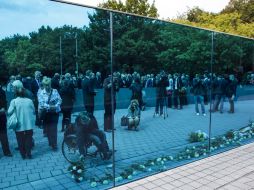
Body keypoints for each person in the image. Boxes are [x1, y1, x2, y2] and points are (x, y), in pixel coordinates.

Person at [8, 80, 35, 159]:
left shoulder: (14, 101)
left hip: (19, 124)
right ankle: (29, 154)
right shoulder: (29, 101)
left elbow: (9, 112)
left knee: (20, 140)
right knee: (28, 139)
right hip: (29, 124)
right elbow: (33, 110)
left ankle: (23, 155)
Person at [38, 77, 62, 151]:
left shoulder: (55, 91)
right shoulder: (41, 93)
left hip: (55, 113)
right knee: (48, 129)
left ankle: (54, 144)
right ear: (43, 85)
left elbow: (60, 100)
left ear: (50, 84)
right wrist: (51, 106)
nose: (47, 86)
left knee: (54, 129)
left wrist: (55, 106)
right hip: (47, 114)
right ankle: (50, 142)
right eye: (45, 85)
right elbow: (42, 104)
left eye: (48, 85)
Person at [0, 84, 12, 157]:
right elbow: (5, 102)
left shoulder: (1, 91)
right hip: (1, 114)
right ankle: (7, 152)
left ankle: (7, 151)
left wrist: (4, 108)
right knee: (3, 134)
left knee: (3, 134)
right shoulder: (1, 91)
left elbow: (5, 102)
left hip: (1, 115)